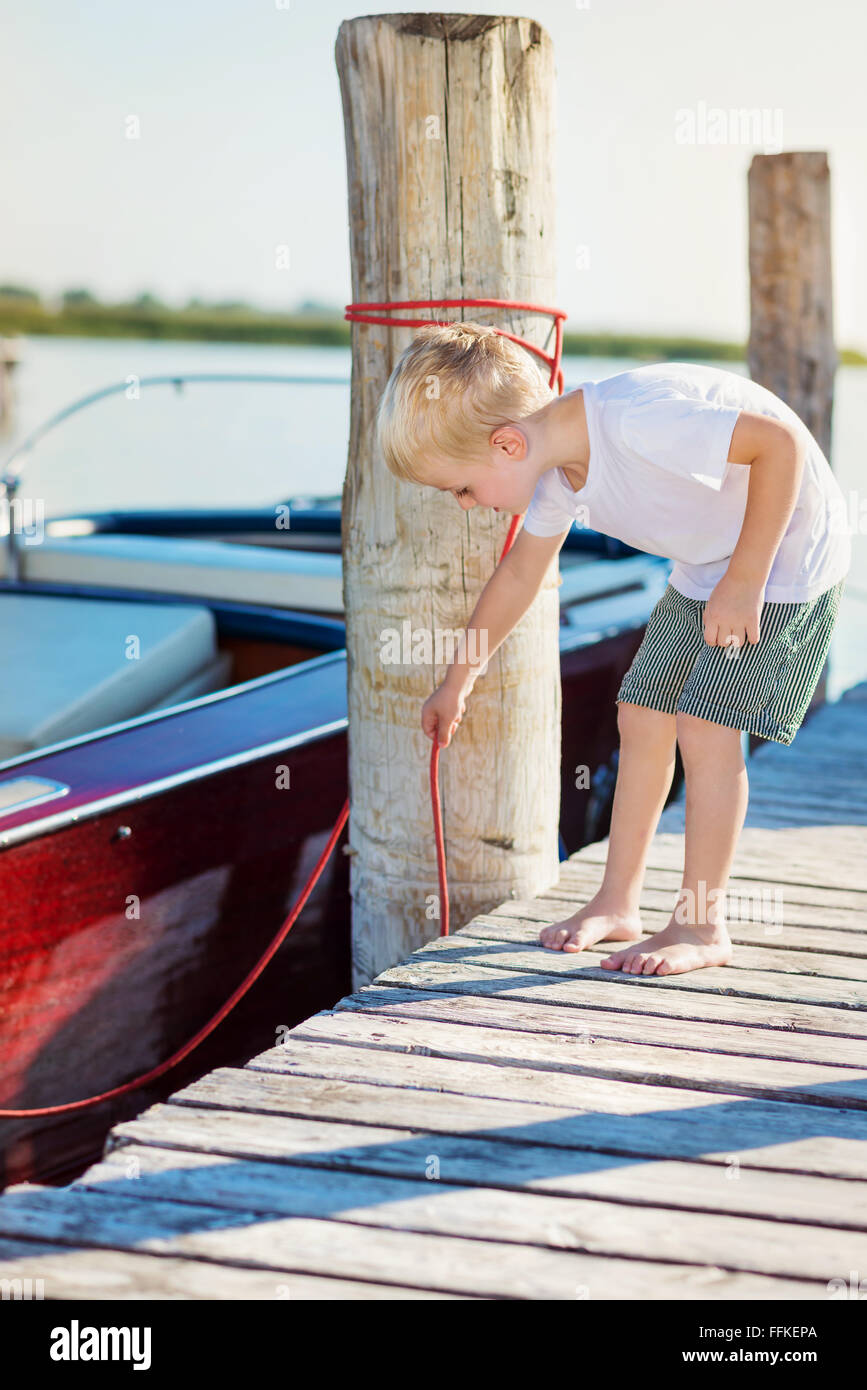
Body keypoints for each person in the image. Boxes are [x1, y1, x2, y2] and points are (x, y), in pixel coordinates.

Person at [375, 321, 850, 976]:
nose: (463, 505)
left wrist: (744, 581)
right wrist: (458, 680)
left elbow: (780, 447)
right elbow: (519, 575)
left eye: (459, 488)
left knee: (707, 727)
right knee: (642, 714)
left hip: (785, 557)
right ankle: (617, 900)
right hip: (710, 561)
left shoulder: (636, 421)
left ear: (506, 443)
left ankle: (699, 924)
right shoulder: (555, 476)